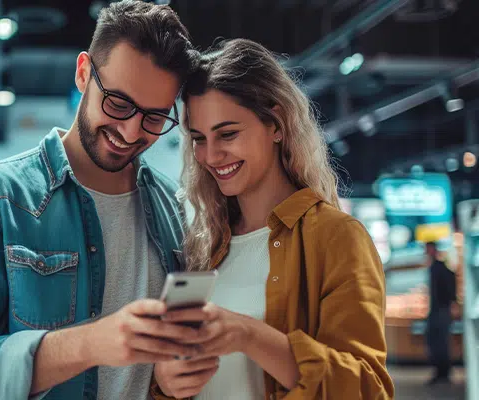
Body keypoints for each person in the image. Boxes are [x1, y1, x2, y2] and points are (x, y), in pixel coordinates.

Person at [0, 2, 202, 399]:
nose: (131, 130)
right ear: (84, 73)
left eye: (155, 117)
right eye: (118, 104)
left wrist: (168, 379)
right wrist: (86, 345)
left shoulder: (172, 207)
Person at [151, 39, 395, 400]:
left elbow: (368, 389)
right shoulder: (205, 244)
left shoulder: (337, 237)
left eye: (228, 134)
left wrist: (250, 335)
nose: (211, 155)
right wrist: (166, 383)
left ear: (276, 124)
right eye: (199, 138)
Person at [424, 241, 457, 385]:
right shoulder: (437, 267)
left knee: (439, 342)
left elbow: (447, 288)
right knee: (438, 341)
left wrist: (450, 303)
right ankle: (442, 371)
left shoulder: (438, 268)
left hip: (440, 310)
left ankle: (442, 371)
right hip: (438, 309)